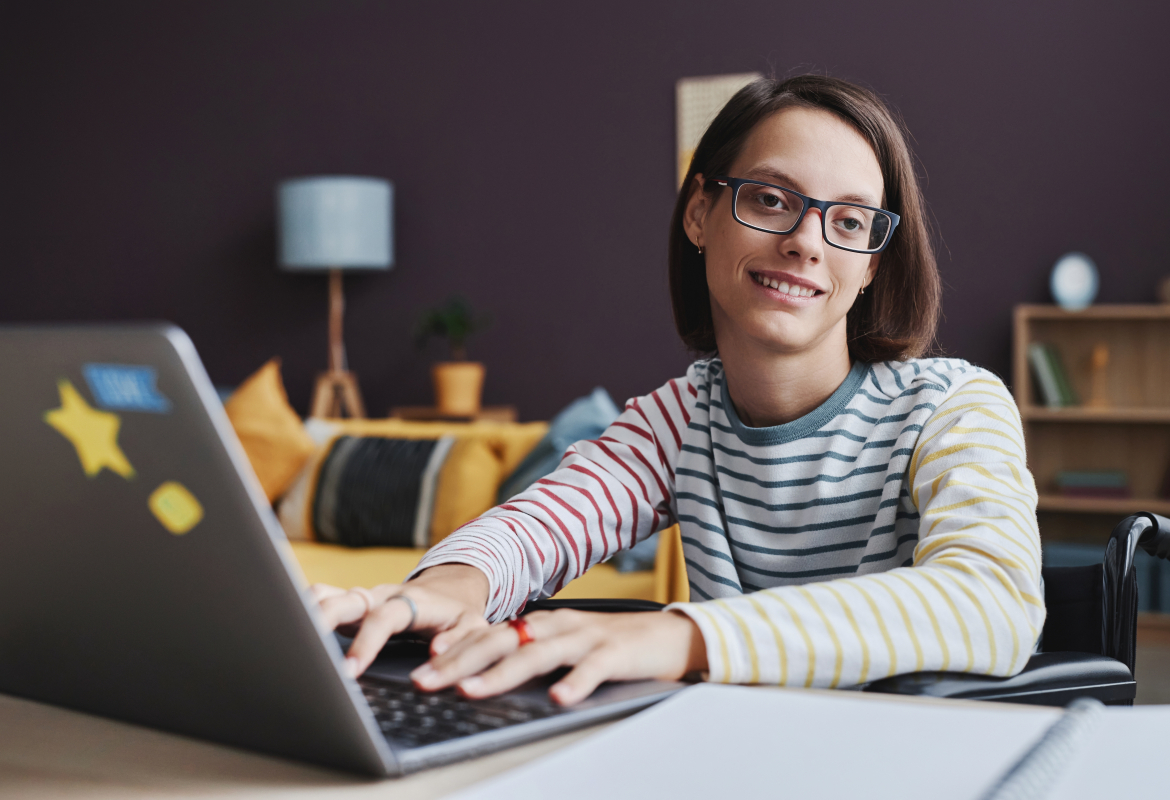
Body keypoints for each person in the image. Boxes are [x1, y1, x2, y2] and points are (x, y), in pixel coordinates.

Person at [313, 74, 1044, 706]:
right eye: (768, 199)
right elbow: (536, 527)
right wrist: (451, 586)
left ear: (872, 266)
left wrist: (680, 635)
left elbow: (994, 603)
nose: (807, 241)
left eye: (850, 220)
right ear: (700, 212)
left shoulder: (953, 406)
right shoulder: (681, 420)